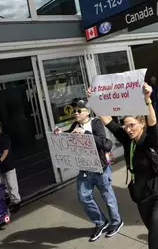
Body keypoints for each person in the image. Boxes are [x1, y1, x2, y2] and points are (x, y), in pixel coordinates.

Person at [95, 83, 158, 249]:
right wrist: (94, 100)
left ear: (141, 124)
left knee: (154, 242)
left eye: (131, 125)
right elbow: (108, 121)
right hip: (141, 198)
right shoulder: (128, 141)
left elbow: (153, 124)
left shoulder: (151, 141)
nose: (128, 129)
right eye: (126, 125)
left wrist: (147, 100)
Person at [54, 100, 122, 241]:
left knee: (107, 197)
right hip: (85, 168)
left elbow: (104, 143)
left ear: (87, 112)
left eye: (79, 111)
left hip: (100, 168)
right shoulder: (75, 125)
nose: (76, 113)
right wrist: (61, 134)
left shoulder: (95, 123)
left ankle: (116, 222)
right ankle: (100, 222)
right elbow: (70, 137)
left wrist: (85, 133)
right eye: (74, 111)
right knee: (84, 197)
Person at [0, 123, 21, 212]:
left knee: (12, 185)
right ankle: (8, 201)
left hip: (8, 165)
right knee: (3, 186)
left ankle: (16, 202)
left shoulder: (4, 138)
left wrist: (0, 160)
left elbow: (6, 151)